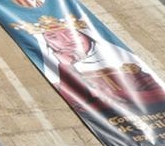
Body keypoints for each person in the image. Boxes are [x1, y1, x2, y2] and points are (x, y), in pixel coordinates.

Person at [24, 15, 165, 113]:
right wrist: (67, 67)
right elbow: (78, 106)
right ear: (48, 44)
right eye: (53, 37)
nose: (66, 40)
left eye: (71, 33)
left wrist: (118, 95)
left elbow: (160, 94)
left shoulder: (130, 69)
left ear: (85, 35)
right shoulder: (60, 81)